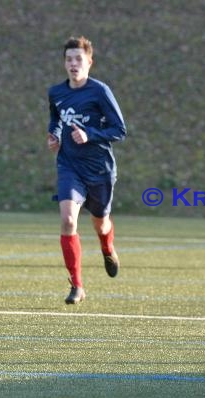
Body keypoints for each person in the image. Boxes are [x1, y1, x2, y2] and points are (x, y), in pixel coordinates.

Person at [47, 36, 127, 304]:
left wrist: (89, 134)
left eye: (78, 59)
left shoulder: (100, 92)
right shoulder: (56, 93)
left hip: (100, 169)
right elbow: (56, 118)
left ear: (89, 62)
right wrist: (54, 134)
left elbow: (119, 130)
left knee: (100, 222)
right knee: (68, 219)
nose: (73, 63)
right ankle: (77, 285)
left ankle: (107, 247)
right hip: (70, 166)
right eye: (69, 59)